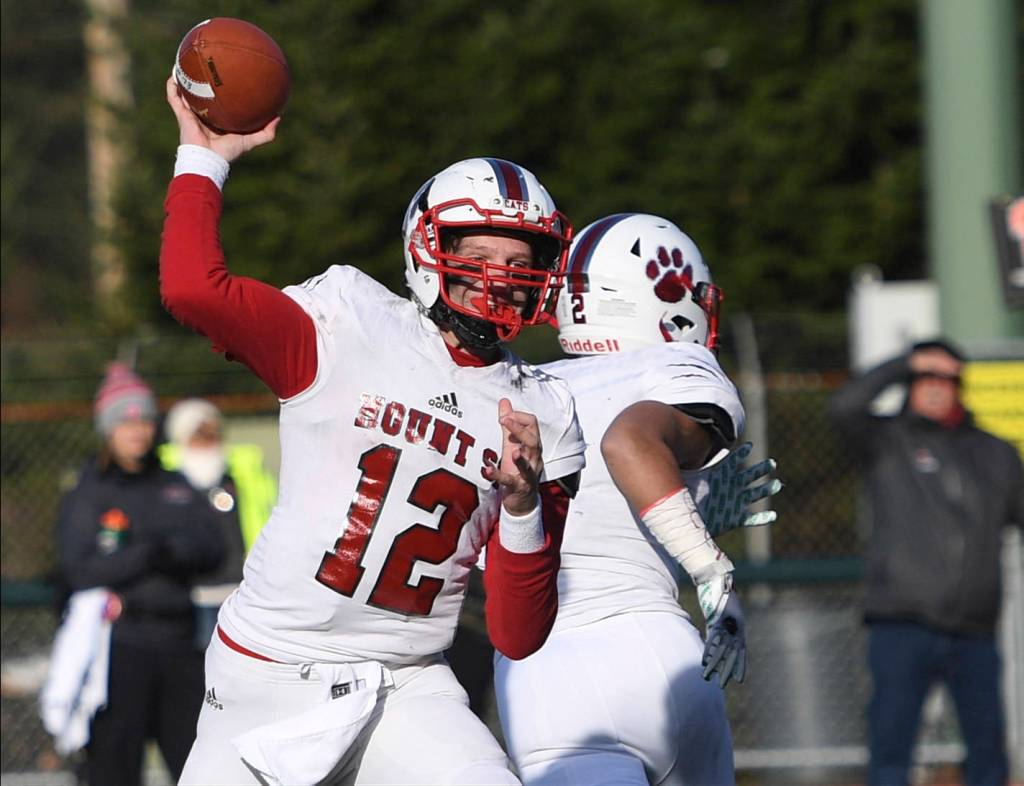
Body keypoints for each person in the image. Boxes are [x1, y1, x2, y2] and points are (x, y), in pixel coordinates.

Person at [161, 75, 586, 786]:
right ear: (427, 250)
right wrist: (205, 159)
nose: (499, 280)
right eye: (477, 257)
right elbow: (191, 289)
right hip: (269, 672)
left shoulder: (543, 411)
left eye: (519, 264)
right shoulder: (350, 324)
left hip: (406, 683)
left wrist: (521, 504)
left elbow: (517, 632)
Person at [495, 214, 781, 786]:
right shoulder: (678, 362)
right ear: (666, 296)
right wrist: (707, 563)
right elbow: (627, 441)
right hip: (653, 653)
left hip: (544, 679)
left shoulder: (512, 388)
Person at [830, 339, 1023, 786]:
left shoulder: (996, 453)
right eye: (926, 377)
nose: (937, 388)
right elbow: (843, 407)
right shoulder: (887, 440)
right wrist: (903, 363)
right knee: (892, 747)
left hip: (975, 629)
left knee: (988, 749)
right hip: (902, 623)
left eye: (947, 379)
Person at [45, 362, 225, 786]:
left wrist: (161, 552)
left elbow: (210, 548)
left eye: (144, 420)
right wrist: (148, 555)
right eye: (127, 423)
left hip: (179, 644)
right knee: (113, 768)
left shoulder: (174, 484)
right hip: (119, 649)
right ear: (108, 429)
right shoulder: (90, 492)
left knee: (197, 766)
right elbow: (78, 567)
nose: (137, 431)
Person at [158, 397, 277, 647]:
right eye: (199, 434)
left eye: (213, 432)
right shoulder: (166, 481)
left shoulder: (242, 474)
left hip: (244, 592)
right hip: (191, 595)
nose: (208, 440)